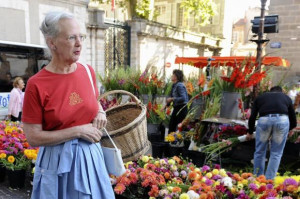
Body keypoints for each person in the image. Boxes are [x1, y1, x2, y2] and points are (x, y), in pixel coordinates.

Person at [22, 11, 115, 198]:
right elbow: (33, 137)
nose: (79, 43)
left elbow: (94, 104)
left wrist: (100, 112)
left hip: (91, 160)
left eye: (81, 37)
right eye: (72, 37)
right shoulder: (36, 84)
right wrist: (78, 131)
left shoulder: (87, 72)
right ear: (52, 43)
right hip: (56, 164)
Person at [247, 86, 297, 180]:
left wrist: (250, 132)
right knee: (276, 153)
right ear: (281, 92)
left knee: (259, 151)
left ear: (270, 91)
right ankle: (269, 180)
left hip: (264, 120)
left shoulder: (261, 97)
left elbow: (252, 116)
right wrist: (288, 129)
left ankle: (258, 178)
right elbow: (293, 120)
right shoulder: (286, 98)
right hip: (282, 120)